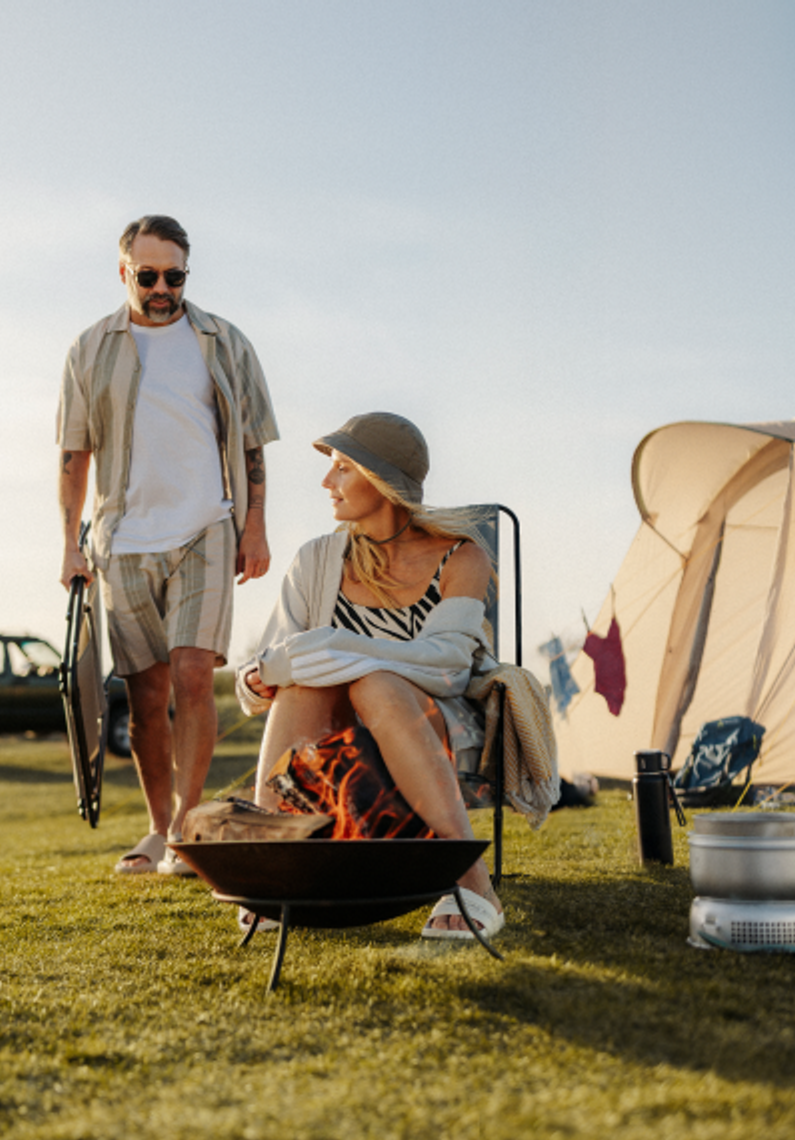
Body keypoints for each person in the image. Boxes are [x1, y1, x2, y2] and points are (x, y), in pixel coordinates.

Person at [58, 215, 279, 877]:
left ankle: (189, 826)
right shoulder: (90, 349)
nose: (161, 289)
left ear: (187, 272)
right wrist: (69, 545)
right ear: (123, 271)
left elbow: (252, 444)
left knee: (192, 675)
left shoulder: (224, 342)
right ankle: (156, 829)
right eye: (147, 276)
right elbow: (74, 455)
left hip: (206, 527)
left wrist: (255, 525)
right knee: (146, 694)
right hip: (122, 539)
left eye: (174, 276)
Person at [236, 412, 504, 939]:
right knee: (302, 687)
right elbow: (267, 667)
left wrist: (336, 648)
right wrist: (256, 680)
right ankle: (275, 867)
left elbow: (447, 665)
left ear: (381, 480)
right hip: (339, 733)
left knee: (375, 684)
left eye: (341, 469)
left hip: (436, 721)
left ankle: (473, 880)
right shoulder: (317, 560)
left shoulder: (461, 556)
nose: (325, 482)